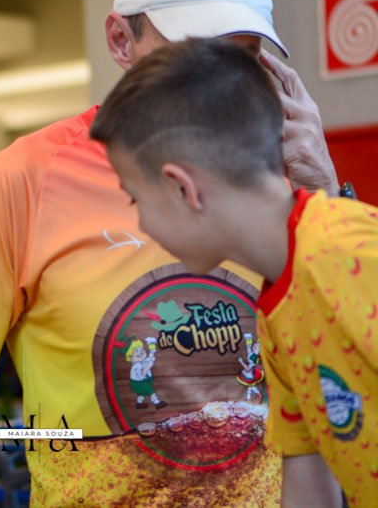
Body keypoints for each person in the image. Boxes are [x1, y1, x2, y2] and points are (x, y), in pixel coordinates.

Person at [0, 0, 340, 506]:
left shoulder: (288, 178)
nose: (217, 86)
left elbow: (344, 385)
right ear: (119, 39)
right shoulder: (24, 177)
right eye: (191, 53)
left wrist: (323, 194)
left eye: (242, 59)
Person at [89, 38, 373, 507]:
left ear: (182, 189)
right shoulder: (277, 310)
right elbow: (310, 486)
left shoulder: (353, 257)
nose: (141, 224)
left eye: (136, 198)